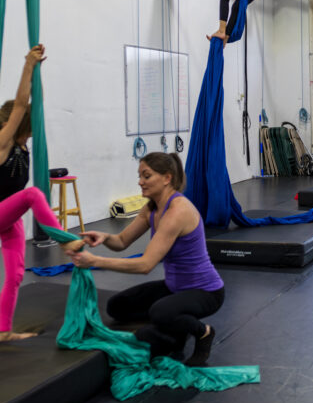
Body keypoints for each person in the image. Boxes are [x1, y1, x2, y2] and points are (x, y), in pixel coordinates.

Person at [70, 152, 225, 366]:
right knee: (117, 307)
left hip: (206, 292)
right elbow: (122, 241)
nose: (140, 182)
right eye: (140, 176)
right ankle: (175, 330)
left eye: (146, 176)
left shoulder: (177, 212)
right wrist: (104, 237)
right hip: (174, 287)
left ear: (167, 178)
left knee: (160, 312)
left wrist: (95, 261)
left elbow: (145, 265)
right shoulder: (151, 207)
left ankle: (203, 333)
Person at [0, 44, 85, 342]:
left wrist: (39, 71)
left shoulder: (24, 144)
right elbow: (23, 104)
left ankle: (4, 332)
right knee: (33, 195)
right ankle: (66, 241)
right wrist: (28, 64)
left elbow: (33, 102)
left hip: (10, 218)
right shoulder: (2, 144)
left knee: (14, 276)